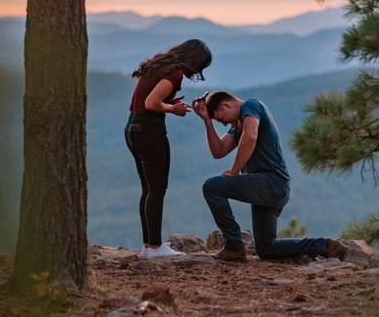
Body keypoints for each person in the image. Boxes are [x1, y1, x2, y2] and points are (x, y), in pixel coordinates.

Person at [193, 90, 347, 262]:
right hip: (271, 188)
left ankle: (234, 246)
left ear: (226, 105)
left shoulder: (251, 106)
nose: (221, 123)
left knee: (212, 187)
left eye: (219, 118)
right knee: (266, 248)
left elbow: (251, 136)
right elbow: (218, 151)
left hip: (271, 183)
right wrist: (207, 121)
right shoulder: (238, 124)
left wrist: (235, 170)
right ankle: (326, 246)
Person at [126, 39, 212, 259]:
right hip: (149, 132)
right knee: (157, 189)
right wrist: (172, 109)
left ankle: (148, 245)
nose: (199, 71)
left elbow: (148, 99)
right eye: (201, 66)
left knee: (148, 189)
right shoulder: (175, 73)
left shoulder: (160, 65)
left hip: (133, 129)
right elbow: (151, 103)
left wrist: (170, 102)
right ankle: (155, 247)